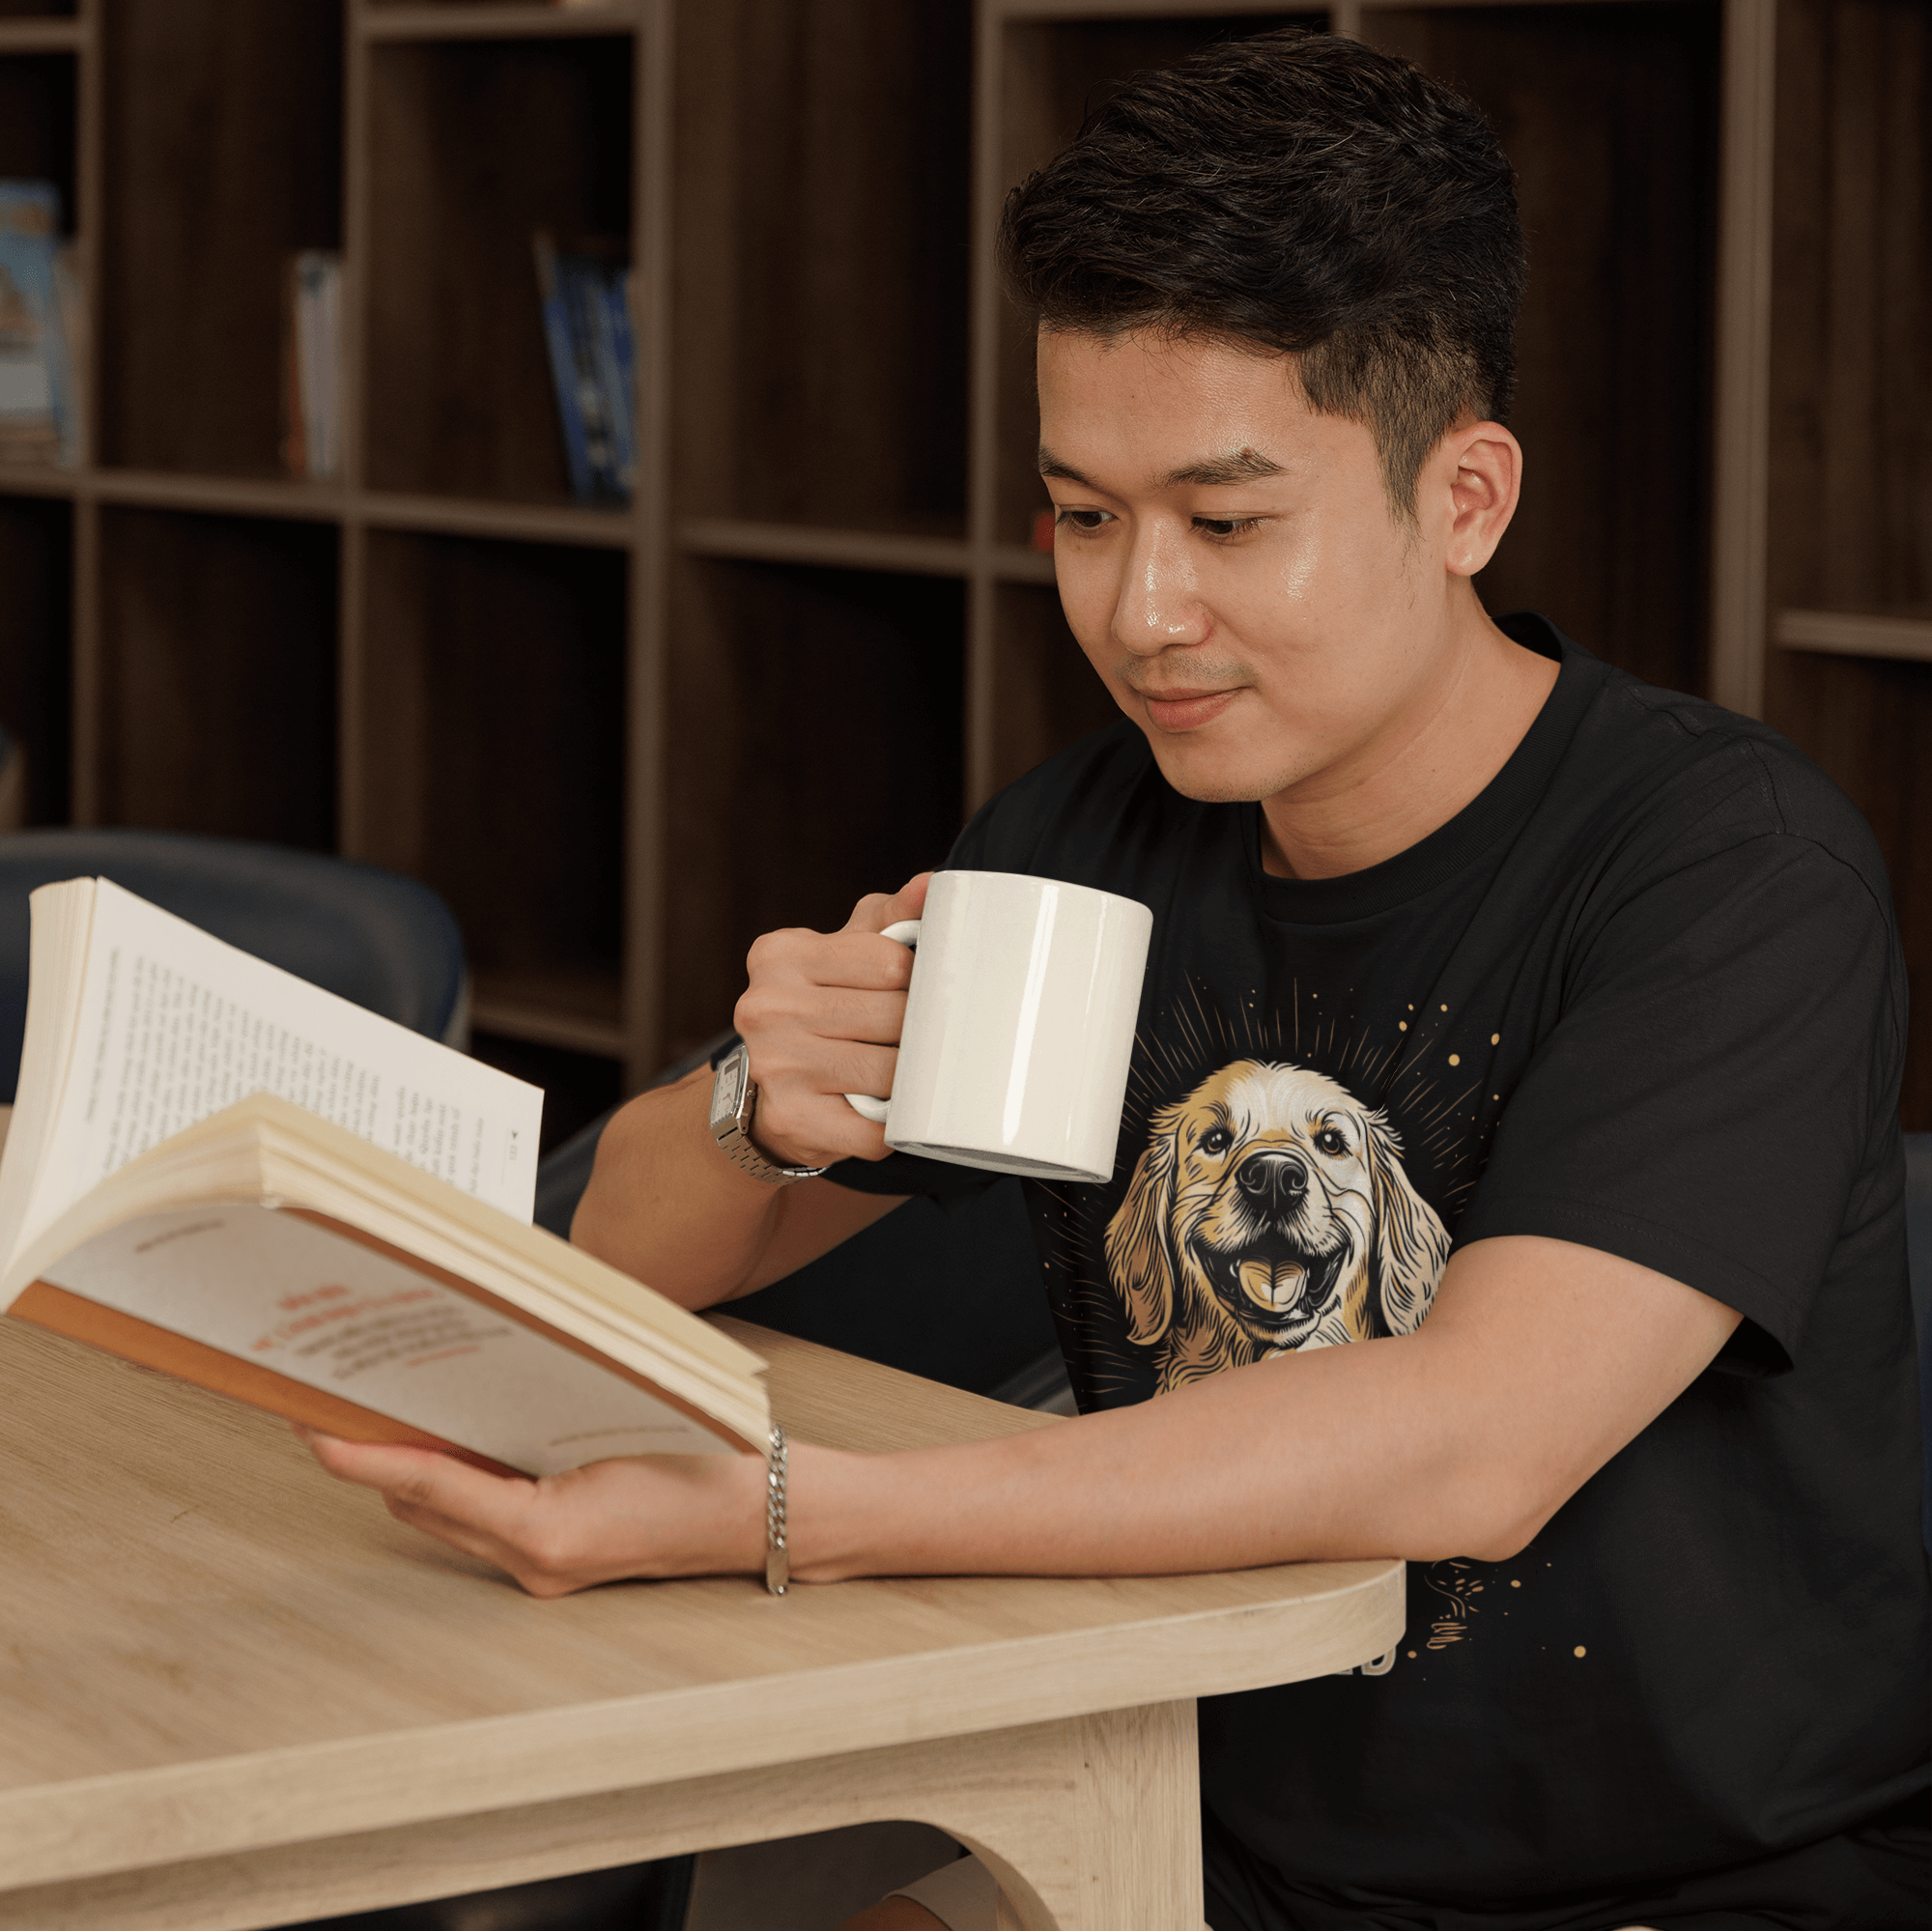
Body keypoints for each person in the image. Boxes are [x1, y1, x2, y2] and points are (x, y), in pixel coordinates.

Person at [301, 29, 1930, 1931]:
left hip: (1697, 1884)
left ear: (1464, 498)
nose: (1137, 612)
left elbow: (1475, 1445)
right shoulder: (1085, 841)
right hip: (1177, 1823)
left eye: (1226, 523)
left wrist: (779, 1518)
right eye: (1084, 514)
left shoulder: (1724, 867)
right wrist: (757, 1115)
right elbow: (609, 1270)